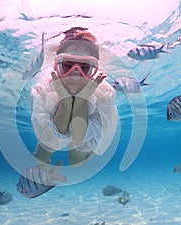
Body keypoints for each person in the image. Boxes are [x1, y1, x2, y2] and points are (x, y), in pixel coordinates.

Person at [30, 27, 118, 166]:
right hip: (56, 123)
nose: (75, 75)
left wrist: (81, 102)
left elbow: (79, 139)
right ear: (56, 65)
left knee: (76, 161)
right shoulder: (43, 89)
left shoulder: (104, 94)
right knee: (40, 157)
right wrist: (65, 103)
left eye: (84, 67)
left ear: (94, 70)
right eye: (67, 65)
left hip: (83, 130)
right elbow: (50, 140)